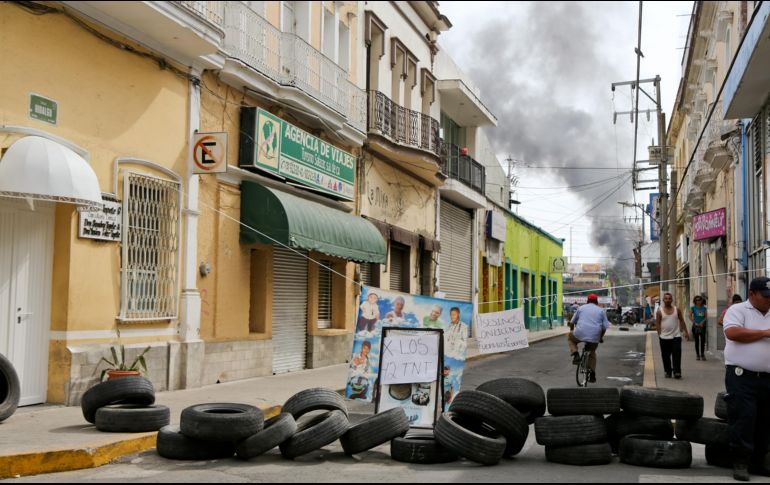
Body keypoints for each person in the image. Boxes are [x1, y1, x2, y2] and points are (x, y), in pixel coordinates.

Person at [722, 277, 770, 481]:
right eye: (765, 296)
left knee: (765, 421)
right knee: (744, 418)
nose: (769, 300)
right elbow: (732, 332)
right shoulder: (738, 310)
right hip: (742, 376)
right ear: (752, 294)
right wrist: (764, 333)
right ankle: (740, 462)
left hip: (767, 378)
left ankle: (759, 462)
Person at [568, 294, 609, 383]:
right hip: (594, 336)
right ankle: (593, 373)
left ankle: (575, 354)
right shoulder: (601, 311)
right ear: (596, 302)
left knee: (570, 338)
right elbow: (604, 327)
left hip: (579, 333)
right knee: (592, 352)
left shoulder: (581, 308)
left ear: (587, 301)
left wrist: (572, 331)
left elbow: (572, 322)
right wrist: (600, 338)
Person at [656, 292, 690, 379]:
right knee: (665, 356)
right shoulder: (659, 311)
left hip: (676, 336)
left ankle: (677, 372)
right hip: (664, 337)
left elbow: (682, 321)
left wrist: (686, 332)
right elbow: (658, 324)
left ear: (672, 300)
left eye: (669, 298)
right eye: (666, 298)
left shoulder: (677, 310)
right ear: (663, 300)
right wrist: (659, 334)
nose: (668, 300)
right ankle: (668, 371)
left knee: (677, 355)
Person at [689, 295, 708, 361]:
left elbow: (706, 317)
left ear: (702, 301)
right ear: (695, 301)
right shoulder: (693, 308)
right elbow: (690, 316)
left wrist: (702, 322)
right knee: (696, 341)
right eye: (697, 300)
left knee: (702, 341)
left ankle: (702, 354)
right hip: (695, 326)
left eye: (699, 300)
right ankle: (697, 355)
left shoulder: (704, 308)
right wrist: (694, 322)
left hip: (702, 326)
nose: (698, 301)